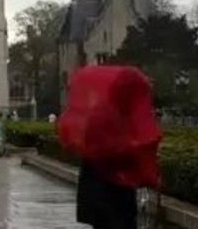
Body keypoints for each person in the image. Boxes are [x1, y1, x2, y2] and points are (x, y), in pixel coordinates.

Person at [60, 66, 161, 229]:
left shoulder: (100, 113)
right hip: (113, 193)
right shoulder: (116, 118)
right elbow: (120, 150)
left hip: (97, 190)